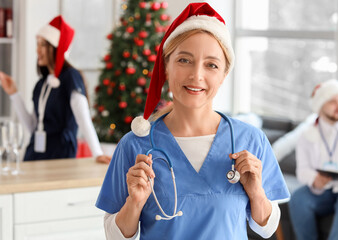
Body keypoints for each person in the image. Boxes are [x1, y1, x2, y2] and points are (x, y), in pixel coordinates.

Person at [95, 3, 290, 239]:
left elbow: (266, 228)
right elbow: (113, 236)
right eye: (184, 60)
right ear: (166, 66)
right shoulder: (135, 145)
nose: (196, 75)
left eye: (211, 65)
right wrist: (134, 202)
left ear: (224, 74)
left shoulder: (250, 140)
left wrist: (256, 192)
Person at [0, 16, 111, 164]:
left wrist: (97, 153)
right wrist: (14, 93)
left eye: (43, 45)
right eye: (37, 44)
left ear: (55, 47)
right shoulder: (41, 84)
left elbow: (82, 116)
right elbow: (32, 126)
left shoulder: (71, 76)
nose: (37, 50)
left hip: (60, 155)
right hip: (34, 155)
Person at [289, 79, 338, 240]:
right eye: (332, 101)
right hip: (324, 189)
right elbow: (302, 170)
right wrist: (314, 180)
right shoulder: (306, 134)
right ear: (320, 106)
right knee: (298, 199)